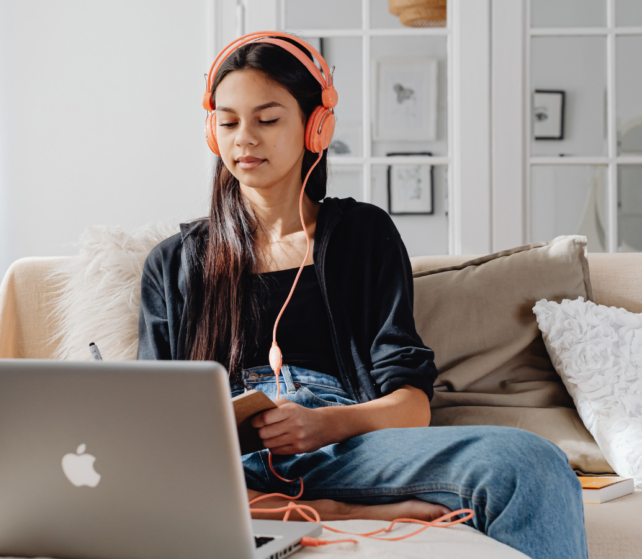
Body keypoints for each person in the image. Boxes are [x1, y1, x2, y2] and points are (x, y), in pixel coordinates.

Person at [136, 32, 587, 558]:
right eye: (229, 122)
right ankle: (326, 510)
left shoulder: (362, 234)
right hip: (224, 464)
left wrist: (324, 424)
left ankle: (312, 500)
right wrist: (335, 509)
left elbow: (411, 404)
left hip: (348, 446)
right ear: (213, 133)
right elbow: (152, 425)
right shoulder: (173, 262)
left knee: (530, 462)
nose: (244, 139)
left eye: (267, 118)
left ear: (315, 126)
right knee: (145, 473)